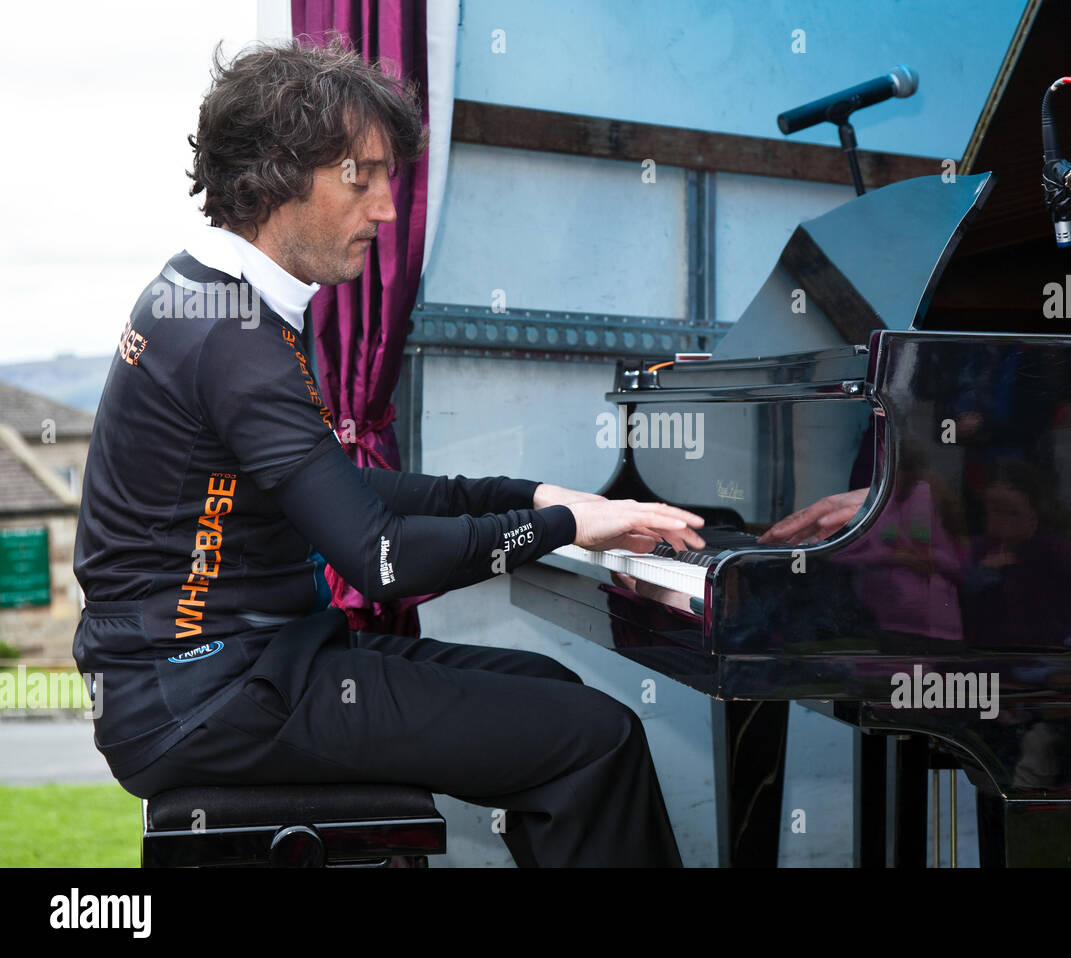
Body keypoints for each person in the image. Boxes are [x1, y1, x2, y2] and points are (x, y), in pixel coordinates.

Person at [72, 37, 705, 868]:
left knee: (554, 695)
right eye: (359, 176)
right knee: (598, 738)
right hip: (208, 695)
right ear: (275, 173)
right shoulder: (231, 335)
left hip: (238, 665)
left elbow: (348, 491)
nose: (384, 208)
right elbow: (382, 558)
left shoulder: (212, 295)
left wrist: (542, 492)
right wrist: (559, 526)